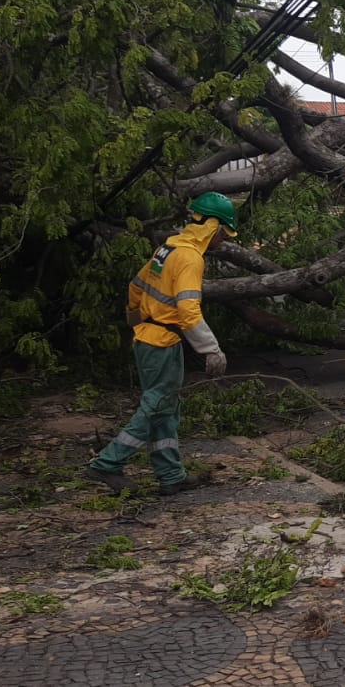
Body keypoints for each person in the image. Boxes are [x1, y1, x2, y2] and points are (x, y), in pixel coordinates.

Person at [86, 192, 238, 496]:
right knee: (156, 406)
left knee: (165, 409)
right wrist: (211, 350)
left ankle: (171, 475)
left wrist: (138, 323)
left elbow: (136, 285)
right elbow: (188, 311)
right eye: (224, 232)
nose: (224, 239)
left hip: (148, 338)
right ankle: (108, 463)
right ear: (212, 227)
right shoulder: (190, 258)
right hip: (162, 344)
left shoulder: (167, 247)